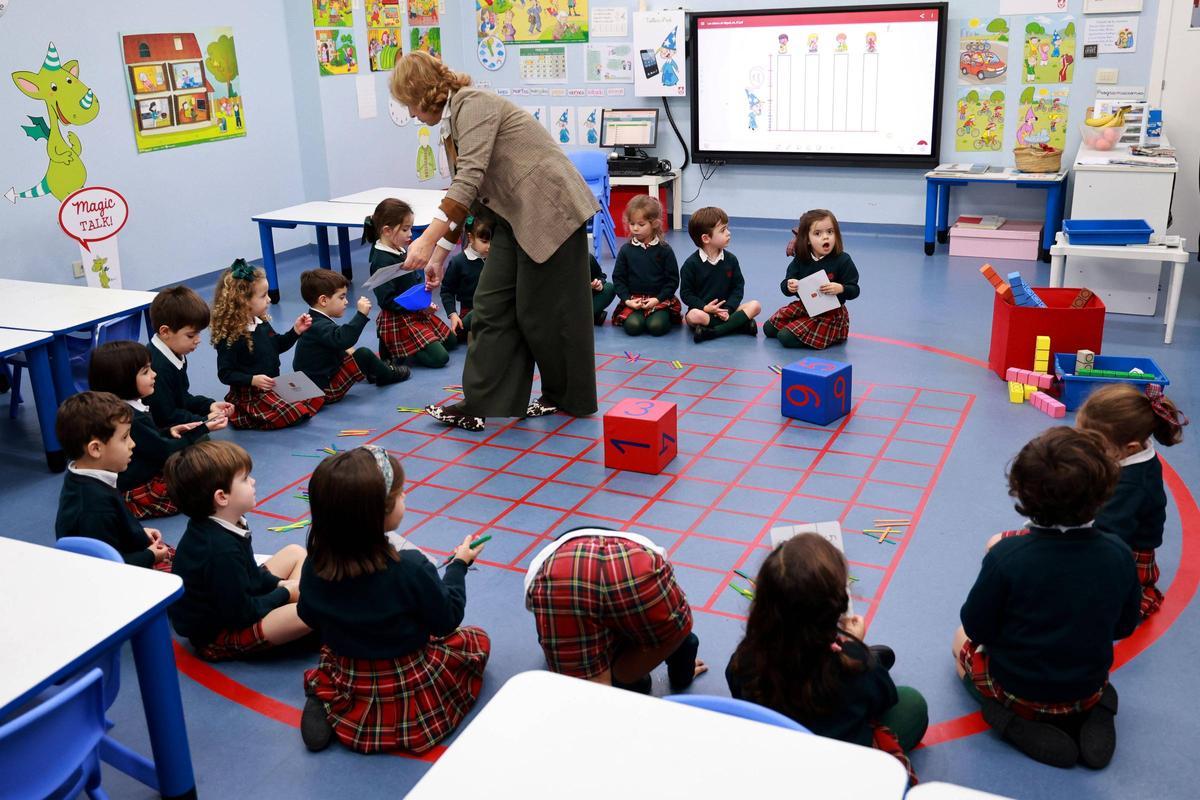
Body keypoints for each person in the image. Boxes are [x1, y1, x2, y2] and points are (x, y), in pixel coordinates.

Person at [389, 51, 600, 433]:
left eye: (410, 106)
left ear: (423, 94)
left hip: (550, 211)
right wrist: (438, 255)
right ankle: (482, 403)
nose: (412, 115)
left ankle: (567, 397)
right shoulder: (454, 119)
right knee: (490, 306)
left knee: (547, 314)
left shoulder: (473, 105)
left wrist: (427, 239)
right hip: (512, 218)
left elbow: (469, 177)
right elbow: (466, 194)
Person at [957, 427, 1141, 769]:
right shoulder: (1118, 553)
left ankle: (1013, 722)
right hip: (1087, 686)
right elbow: (1124, 625)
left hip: (1021, 690)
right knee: (1086, 679)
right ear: (1102, 495)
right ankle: (1098, 709)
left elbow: (976, 626)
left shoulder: (1007, 556)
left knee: (958, 644)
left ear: (1023, 494)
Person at [297, 447, 490, 754]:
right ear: (378, 512)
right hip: (405, 679)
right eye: (400, 493)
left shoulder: (316, 564)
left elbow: (307, 615)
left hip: (349, 671)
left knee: (328, 656)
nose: (405, 497)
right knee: (477, 641)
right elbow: (447, 620)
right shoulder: (410, 567)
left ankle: (326, 699)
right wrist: (458, 566)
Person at [726, 534, 927, 785]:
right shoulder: (858, 665)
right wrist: (855, 647)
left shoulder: (744, 659)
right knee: (912, 704)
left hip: (777, 765)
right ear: (835, 609)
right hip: (838, 771)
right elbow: (885, 698)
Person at [164, 441, 311, 662]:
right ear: (222, 497)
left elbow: (251, 573)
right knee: (307, 612)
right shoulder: (219, 550)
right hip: (219, 634)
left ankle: (300, 602)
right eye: (244, 479)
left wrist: (279, 585)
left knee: (295, 552)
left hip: (235, 601)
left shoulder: (226, 523)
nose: (253, 481)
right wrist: (286, 593)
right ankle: (302, 608)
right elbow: (242, 614)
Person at [525, 527, 705, 693]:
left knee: (594, 694)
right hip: (638, 567)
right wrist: (682, 670)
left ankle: (626, 679)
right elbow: (682, 629)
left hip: (560, 575)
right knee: (635, 679)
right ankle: (675, 674)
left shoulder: (545, 571)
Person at [1077, 383, 1188, 619]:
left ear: (1129, 448)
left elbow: (1108, 539)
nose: (1086, 449)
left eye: (1094, 445)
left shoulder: (1131, 485)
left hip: (1129, 551)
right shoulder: (1130, 454)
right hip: (1112, 534)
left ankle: (1133, 597)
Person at [87, 340, 217, 519]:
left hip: (134, 471)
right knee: (190, 492)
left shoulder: (122, 407)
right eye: (146, 372)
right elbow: (163, 451)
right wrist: (200, 429)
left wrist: (169, 431)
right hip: (132, 482)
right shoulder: (131, 417)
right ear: (122, 380)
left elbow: (149, 441)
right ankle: (127, 505)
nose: (154, 374)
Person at [54, 391, 172, 570]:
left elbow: (113, 530)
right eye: (125, 438)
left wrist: (138, 534)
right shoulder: (93, 509)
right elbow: (109, 567)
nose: (132, 444)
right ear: (95, 449)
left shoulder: (82, 477)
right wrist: (150, 556)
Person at [211, 259, 322, 430]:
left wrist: (296, 331)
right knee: (295, 413)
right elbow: (225, 374)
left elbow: (276, 346)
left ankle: (271, 408)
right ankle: (242, 413)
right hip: (251, 394)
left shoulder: (260, 323)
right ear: (243, 301)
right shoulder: (231, 336)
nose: (269, 300)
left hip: (273, 385)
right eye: (263, 296)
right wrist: (252, 380)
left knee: (317, 395)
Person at [362, 198, 458, 369]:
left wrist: (424, 296)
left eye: (410, 228)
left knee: (452, 341)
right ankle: (397, 349)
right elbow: (386, 301)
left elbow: (413, 279)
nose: (410, 234)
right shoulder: (381, 261)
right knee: (440, 358)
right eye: (405, 229)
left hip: (414, 311)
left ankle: (413, 346)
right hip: (399, 317)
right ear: (387, 230)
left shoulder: (398, 249)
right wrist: (418, 306)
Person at [293, 268, 409, 404]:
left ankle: (373, 371)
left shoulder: (313, 319)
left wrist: (345, 350)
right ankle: (387, 375)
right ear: (323, 300)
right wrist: (361, 315)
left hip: (315, 383)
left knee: (351, 352)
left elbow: (332, 343)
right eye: (341, 297)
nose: (346, 302)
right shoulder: (318, 325)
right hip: (324, 389)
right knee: (363, 354)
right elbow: (343, 338)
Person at [765, 209, 859, 349]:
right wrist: (789, 286)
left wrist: (841, 288)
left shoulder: (843, 260)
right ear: (807, 240)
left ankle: (831, 333)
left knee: (785, 337)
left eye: (830, 232)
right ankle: (802, 327)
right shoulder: (801, 260)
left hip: (830, 314)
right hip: (806, 307)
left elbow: (854, 289)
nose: (826, 237)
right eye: (818, 233)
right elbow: (785, 285)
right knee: (769, 328)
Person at [146, 285, 233, 429]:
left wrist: (208, 406)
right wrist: (204, 421)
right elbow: (165, 417)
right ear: (165, 331)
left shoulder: (174, 351)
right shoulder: (157, 367)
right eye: (191, 335)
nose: (198, 340)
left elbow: (181, 398)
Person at [679, 206, 761, 343]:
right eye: (723, 230)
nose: (728, 233)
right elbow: (686, 294)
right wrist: (705, 307)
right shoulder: (690, 264)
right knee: (693, 316)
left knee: (755, 306)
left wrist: (728, 309)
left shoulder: (731, 260)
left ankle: (713, 332)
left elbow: (738, 287)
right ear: (706, 238)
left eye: (727, 228)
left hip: (728, 311)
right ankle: (738, 325)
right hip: (704, 312)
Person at [611, 195, 681, 337]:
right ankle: (641, 316)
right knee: (633, 327)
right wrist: (628, 300)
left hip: (658, 299)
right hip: (634, 300)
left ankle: (665, 316)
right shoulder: (626, 250)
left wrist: (658, 299)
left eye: (641, 224)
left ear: (654, 223)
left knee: (656, 327)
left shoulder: (664, 250)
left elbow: (672, 280)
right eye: (632, 224)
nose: (635, 228)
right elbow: (618, 279)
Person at [440, 211, 494, 345]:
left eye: (493, 242)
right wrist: (453, 314)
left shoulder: (495, 260)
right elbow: (447, 291)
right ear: (470, 238)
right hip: (470, 312)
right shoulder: (458, 262)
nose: (490, 247)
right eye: (485, 241)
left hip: (493, 310)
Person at [589, 253, 615, 326]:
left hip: (584, 299)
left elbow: (601, 276)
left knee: (610, 288)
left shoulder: (587, 258)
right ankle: (594, 316)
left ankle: (589, 315)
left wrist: (599, 284)